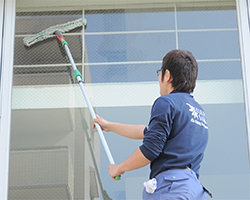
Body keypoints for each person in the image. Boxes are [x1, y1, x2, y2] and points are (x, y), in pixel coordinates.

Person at [92, 49, 209, 199]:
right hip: (194, 190)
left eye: (159, 72)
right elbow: (147, 132)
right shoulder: (198, 112)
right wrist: (109, 126)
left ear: (167, 75)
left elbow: (151, 149)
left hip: (172, 188)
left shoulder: (166, 102)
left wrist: (119, 168)